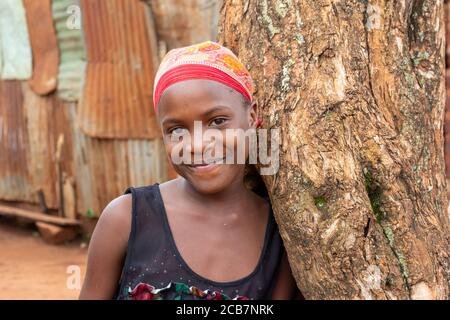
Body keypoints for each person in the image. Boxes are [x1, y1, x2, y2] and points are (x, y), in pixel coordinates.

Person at [79, 41, 301, 300]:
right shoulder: (125, 219)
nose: (197, 145)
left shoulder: (281, 236)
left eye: (217, 121)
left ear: (251, 118)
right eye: (177, 130)